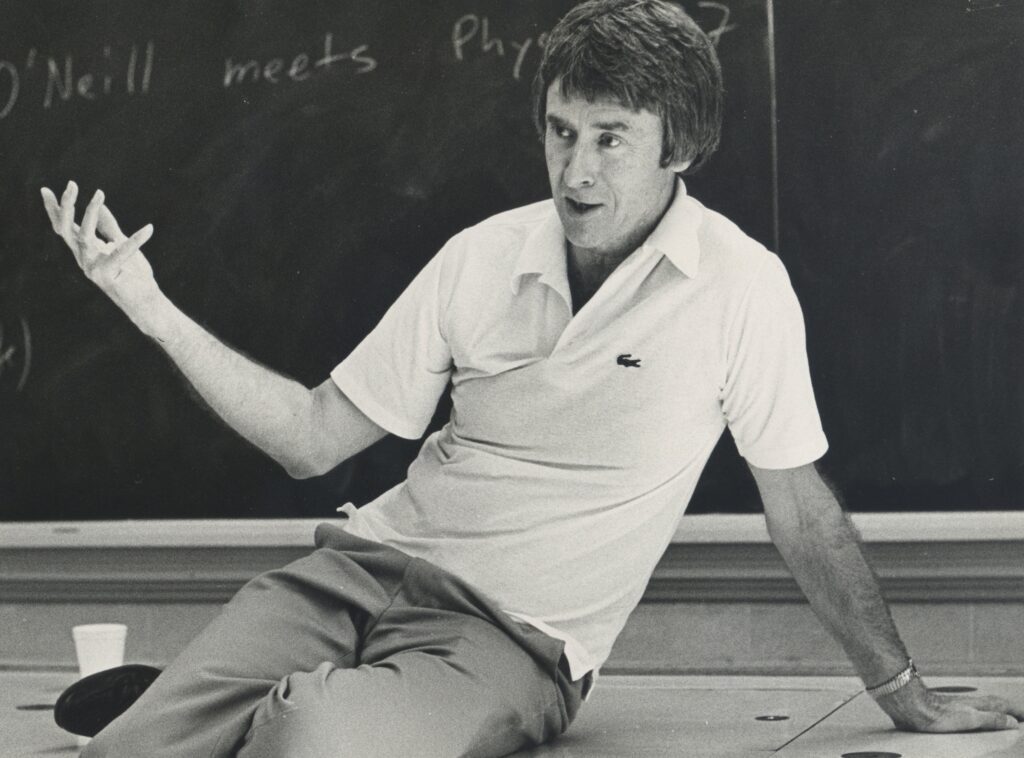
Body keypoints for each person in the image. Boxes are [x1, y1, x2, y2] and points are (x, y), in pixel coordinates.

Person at [41, 1, 1022, 755]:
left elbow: (801, 510)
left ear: (678, 147)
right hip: (353, 575)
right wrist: (147, 303)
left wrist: (903, 690)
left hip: (507, 640)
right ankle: (194, 708)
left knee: (314, 740)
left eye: (609, 138)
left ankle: (221, 706)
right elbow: (310, 437)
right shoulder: (481, 255)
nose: (575, 169)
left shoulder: (739, 287)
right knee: (128, 752)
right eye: (560, 131)